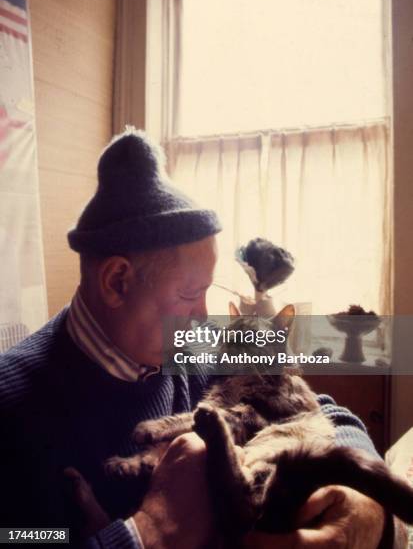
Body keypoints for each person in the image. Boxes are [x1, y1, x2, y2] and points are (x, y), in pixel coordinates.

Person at [0, 130, 393, 548]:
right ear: (117, 281)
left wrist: (364, 503)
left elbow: (321, 409)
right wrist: (142, 532)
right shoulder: (12, 405)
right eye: (190, 296)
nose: (205, 316)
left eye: (208, 292)